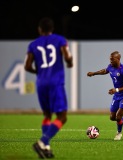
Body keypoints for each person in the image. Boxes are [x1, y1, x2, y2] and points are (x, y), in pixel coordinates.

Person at [24, 17, 73, 158]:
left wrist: (39, 72)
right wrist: (69, 63)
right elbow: (67, 56)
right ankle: (42, 142)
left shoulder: (33, 44)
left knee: (47, 115)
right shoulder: (60, 40)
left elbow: (27, 66)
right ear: (52, 29)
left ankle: (46, 147)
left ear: (39, 29)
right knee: (62, 117)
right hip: (55, 82)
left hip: (41, 83)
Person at [87, 51, 123, 140]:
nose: (111, 61)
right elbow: (105, 70)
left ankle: (119, 133)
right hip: (117, 95)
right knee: (112, 118)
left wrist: (116, 89)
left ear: (118, 59)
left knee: (118, 116)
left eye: (112, 59)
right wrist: (94, 73)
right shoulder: (110, 66)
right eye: (110, 59)